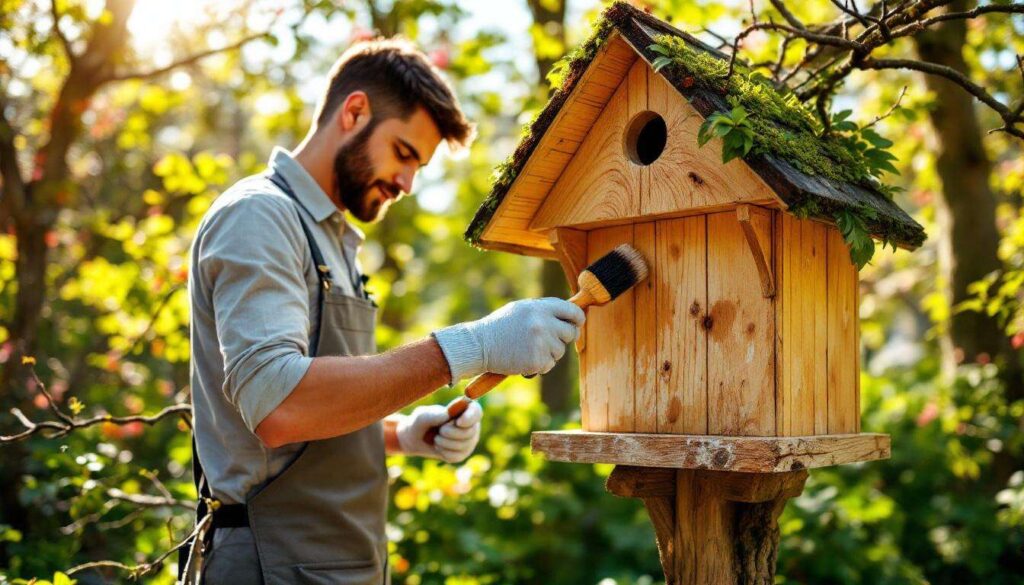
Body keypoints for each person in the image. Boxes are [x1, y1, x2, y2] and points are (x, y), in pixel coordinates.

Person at [184, 37, 585, 584]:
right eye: (403, 153)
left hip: (340, 562)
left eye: (417, 167)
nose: (407, 183)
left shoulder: (333, 239)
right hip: (271, 562)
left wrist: (401, 434)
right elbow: (279, 406)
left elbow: (322, 412)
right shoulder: (261, 216)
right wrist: (470, 347)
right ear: (354, 112)